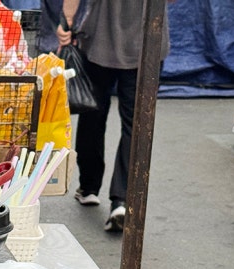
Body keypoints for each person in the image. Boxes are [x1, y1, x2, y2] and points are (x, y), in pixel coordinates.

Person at [56, 0, 169, 233]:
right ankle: (122, 200)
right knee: (137, 123)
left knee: (93, 113)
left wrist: (66, 22)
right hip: (146, 42)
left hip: (100, 40)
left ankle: (88, 186)